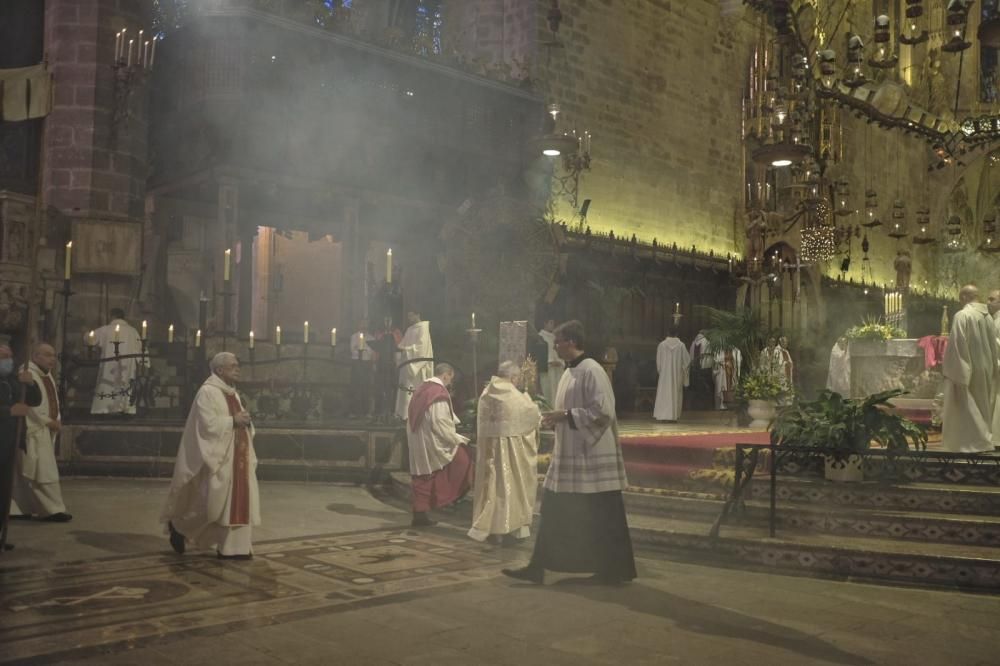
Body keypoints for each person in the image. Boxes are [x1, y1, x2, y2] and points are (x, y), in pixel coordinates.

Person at [502, 320, 636, 586]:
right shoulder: (568, 372)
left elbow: (604, 412)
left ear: (572, 342)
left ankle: (615, 569)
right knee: (553, 508)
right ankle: (538, 567)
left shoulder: (592, 370)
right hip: (570, 454)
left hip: (591, 456)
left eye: (558, 341)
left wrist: (564, 415)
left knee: (603, 514)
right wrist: (556, 418)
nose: (554, 346)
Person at [161, 352, 259, 559]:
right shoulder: (207, 392)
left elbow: (238, 419)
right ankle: (179, 526)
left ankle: (235, 548)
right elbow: (206, 425)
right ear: (219, 370)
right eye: (233, 366)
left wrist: (246, 422)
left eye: (237, 365)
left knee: (235, 501)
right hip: (220, 456)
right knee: (212, 505)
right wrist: (233, 421)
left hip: (237, 454)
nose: (237, 368)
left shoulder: (232, 392)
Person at [468, 361, 541, 545]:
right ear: (514, 377)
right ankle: (508, 529)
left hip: (489, 450)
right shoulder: (515, 396)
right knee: (510, 486)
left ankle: (491, 529)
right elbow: (532, 416)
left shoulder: (486, 393)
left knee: (490, 486)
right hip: (511, 452)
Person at [407, 363, 472, 527]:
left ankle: (419, 514)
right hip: (432, 439)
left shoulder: (422, 388)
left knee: (423, 474)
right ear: (446, 375)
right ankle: (449, 497)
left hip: (418, 438)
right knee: (463, 460)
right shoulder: (438, 392)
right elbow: (440, 422)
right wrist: (456, 438)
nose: (451, 382)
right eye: (451, 378)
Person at [13, 343, 71, 522]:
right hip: (33, 429)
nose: (52, 359)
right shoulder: (27, 374)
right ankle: (53, 509)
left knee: (29, 471)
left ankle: (19, 508)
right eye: (47, 355)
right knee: (43, 471)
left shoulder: (45, 374)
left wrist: (56, 418)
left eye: (53, 355)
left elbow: (51, 400)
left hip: (43, 429)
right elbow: (31, 405)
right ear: (35, 356)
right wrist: (49, 421)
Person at [941, 285, 1000, 453]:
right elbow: (993, 346)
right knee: (983, 405)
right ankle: (985, 439)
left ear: (963, 297)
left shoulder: (962, 315)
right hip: (986, 367)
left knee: (967, 407)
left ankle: (970, 443)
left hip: (967, 368)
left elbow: (957, 345)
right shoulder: (988, 317)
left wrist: (954, 371)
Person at [0, 344, 42, 552]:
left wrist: (31, 384)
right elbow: (12, 409)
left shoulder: (12, 380)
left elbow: (34, 400)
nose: (7, 360)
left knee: (4, 492)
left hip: (8, 444)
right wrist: (8, 411)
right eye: (2, 357)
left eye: (9, 356)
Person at [90, 308, 147, 415]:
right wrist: (144, 363)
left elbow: (90, 339)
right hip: (127, 365)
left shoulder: (105, 330)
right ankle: (125, 408)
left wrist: (86, 334)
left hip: (109, 364)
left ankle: (104, 409)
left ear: (112, 316)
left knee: (107, 383)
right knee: (125, 384)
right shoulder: (133, 331)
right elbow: (141, 349)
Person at [395, 310, 433, 421]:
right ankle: (404, 414)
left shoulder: (423, 327)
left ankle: (417, 414)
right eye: (408, 316)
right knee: (405, 388)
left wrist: (407, 350)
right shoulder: (409, 329)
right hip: (408, 363)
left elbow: (422, 347)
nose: (409, 318)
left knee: (415, 388)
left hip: (417, 365)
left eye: (411, 316)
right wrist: (402, 349)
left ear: (418, 315)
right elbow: (402, 344)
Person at [654, 329, 690, 422]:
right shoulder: (681, 345)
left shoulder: (661, 345)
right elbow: (687, 362)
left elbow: (658, 362)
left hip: (664, 376)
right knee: (675, 394)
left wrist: (661, 372)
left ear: (667, 333)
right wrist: (684, 373)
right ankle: (673, 417)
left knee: (664, 394)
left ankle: (662, 416)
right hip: (676, 375)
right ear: (677, 334)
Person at [349, 319, 374, 418]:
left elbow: (370, 352)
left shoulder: (371, 338)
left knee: (366, 386)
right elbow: (353, 350)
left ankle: (366, 411)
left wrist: (363, 348)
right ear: (358, 325)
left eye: (365, 324)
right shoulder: (354, 337)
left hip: (366, 363)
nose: (364, 326)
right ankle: (354, 411)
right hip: (356, 363)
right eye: (362, 323)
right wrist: (362, 350)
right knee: (355, 386)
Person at [537, 318, 563, 407]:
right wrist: (550, 362)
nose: (553, 325)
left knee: (557, 392)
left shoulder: (554, 337)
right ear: (545, 323)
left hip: (558, 370)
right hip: (547, 371)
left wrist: (560, 361)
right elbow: (540, 355)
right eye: (551, 322)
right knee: (548, 393)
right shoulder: (540, 337)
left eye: (553, 322)